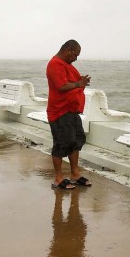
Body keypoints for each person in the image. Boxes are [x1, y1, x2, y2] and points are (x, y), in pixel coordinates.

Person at [46, 39, 92, 189]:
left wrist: (81, 83)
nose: (76, 58)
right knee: (61, 144)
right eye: (75, 55)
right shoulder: (55, 64)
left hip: (72, 110)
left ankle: (75, 174)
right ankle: (58, 178)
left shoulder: (67, 65)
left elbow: (72, 83)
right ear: (68, 50)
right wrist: (78, 84)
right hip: (60, 111)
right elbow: (62, 86)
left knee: (76, 141)